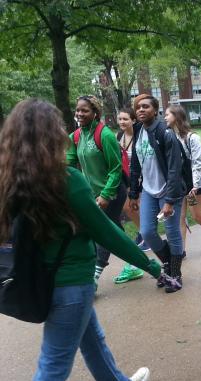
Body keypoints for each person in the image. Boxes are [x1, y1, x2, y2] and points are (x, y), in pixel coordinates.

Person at [0, 99, 162, 381]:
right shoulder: (66, 180)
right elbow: (105, 232)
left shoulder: (9, 181)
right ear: (50, 137)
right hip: (70, 284)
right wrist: (152, 264)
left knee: (90, 336)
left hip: (39, 282)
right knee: (53, 366)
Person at [67, 96, 143, 289]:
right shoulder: (77, 136)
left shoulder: (105, 135)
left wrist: (106, 194)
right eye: (78, 110)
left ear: (95, 113)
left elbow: (115, 168)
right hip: (93, 193)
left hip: (113, 191)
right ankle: (136, 263)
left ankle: (93, 278)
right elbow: (69, 161)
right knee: (114, 229)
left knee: (103, 231)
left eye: (84, 110)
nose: (79, 114)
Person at [128, 94, 186, 293]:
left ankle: (175, 273)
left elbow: (174, 169)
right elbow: (135, 163)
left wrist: (169, 200)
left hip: (168, 191)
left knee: (172, 231)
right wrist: (133, 193)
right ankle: (169, 264)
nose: (141, 110)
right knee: (147, 232)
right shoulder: (138, 131)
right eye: (138, 107)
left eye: (145, 107)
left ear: (155, 110)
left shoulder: (165, 132)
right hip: (149, 191)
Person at [165, 104, 201, 253]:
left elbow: (197, 163)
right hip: (180, 184)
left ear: (176, 117)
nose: (164, 117)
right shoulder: (170, 136)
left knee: (196, 216)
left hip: (193, 185)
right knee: (180, 218)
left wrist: (195, 186)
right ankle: (180, 251)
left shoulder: (193, 137)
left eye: (167, 115)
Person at [117, 107, 150, 252]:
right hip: (126, 178)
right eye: (120, 119)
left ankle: (147, 237)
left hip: (141, 178)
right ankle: (143, 233)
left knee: (137, 207)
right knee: (128, 208)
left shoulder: (140, 135)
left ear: (133, 120)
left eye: (125, 119)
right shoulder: (119, 136)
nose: (122, 122)